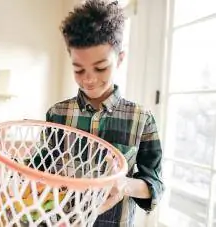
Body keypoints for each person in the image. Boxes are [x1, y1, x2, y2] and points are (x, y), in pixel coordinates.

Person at [44, 0, 164, 226]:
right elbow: (41, 167)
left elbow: (155, 184)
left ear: (119, 59)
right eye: (78, 69)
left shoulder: (142, 119)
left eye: (100, 68)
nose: (88, 79)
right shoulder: (56, 114)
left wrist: (124, 184)